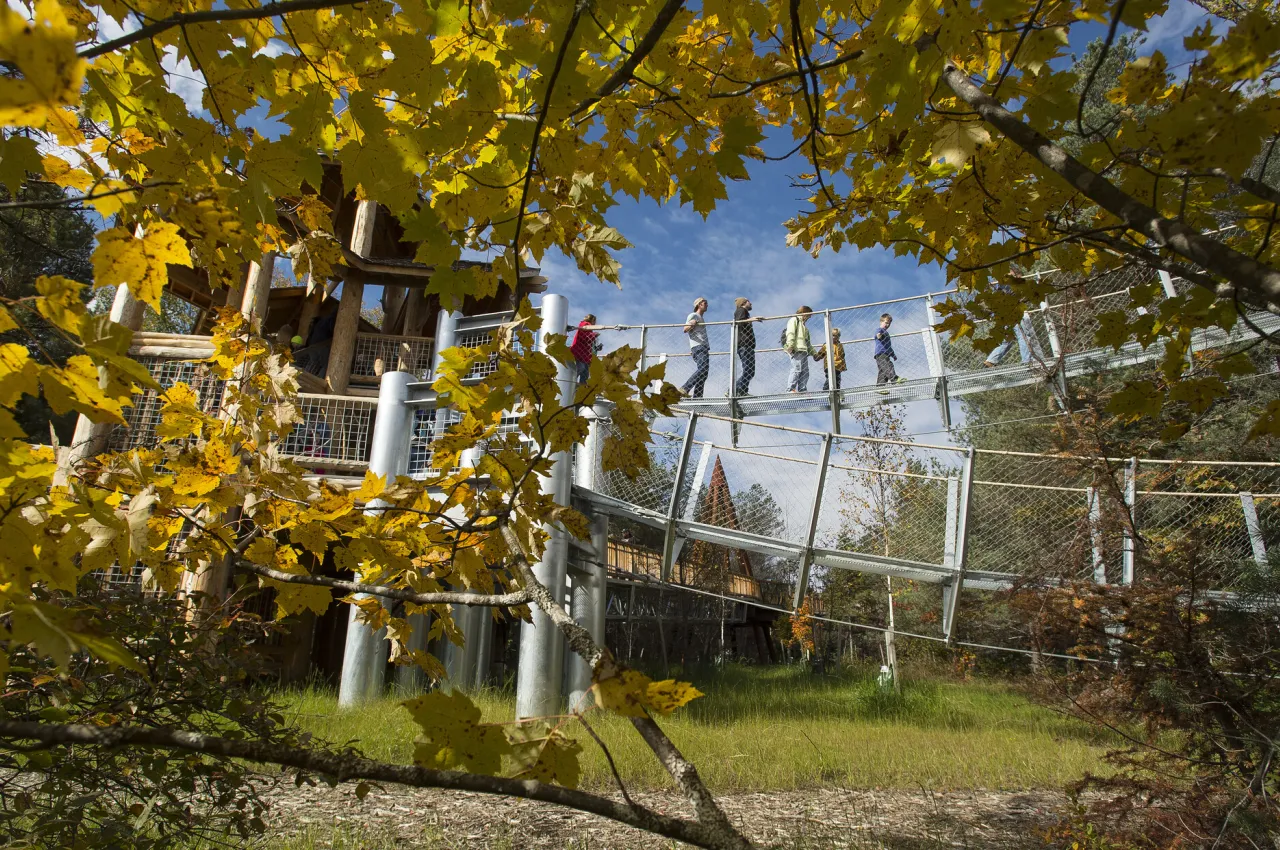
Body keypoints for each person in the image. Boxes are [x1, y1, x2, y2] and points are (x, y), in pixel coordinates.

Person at [570, 313, 616, 384]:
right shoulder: (585, 325)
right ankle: (570, 380)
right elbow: (583, 336)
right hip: (580, 352)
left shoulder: (588, 327)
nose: (595, 323)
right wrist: (594, 335)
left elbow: (588, 341)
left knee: (585, 371)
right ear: (592, 320)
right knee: (581, 368)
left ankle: (581, 386)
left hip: (584, 353)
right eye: (595, 321)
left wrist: (596, 347)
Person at [733, 297, 763, 396]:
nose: (751, 303)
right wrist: (752, 319)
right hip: (744, 345)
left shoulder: (744, 312)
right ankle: (734, 389)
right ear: (744, 303)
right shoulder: (741, 310)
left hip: (747, 345)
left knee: (750, 371)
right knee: (748, 370)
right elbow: (739, 322)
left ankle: (742, 391)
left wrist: (751, 319)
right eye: (749, 301)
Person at [681, 298, 710, 397]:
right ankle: (685, 388)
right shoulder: (694, 315)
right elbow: (685, 329)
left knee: (704, 372)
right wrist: (692, 323)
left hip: (702, 347)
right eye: (705, 303)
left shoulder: (700, 317)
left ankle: (697, 397)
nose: (707, 305)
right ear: (699, 305)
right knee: (703, 369)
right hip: (699, 347)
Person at [783, 306, 813, 392]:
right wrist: (790, 345)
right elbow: (790, 333)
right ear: (805, 313)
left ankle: (802, 389)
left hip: (804, 351)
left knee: (805, 372)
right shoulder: (794, 320)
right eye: (809, 315)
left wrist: (814, 354)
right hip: (796, 349)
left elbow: (808, 343)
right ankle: (790, 389)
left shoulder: (804, 327)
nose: (810, 317)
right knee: (796, 369)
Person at [875, 313, 905, 388]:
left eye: (889, 323)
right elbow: (878, 334)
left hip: (886, 354)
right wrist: (879, 335)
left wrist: (893, 354)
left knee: (883, 370)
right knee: (888, 366)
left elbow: (889, 347)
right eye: (886, 322)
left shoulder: (887, 333)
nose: (887, 325)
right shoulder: (880, 330)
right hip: (880, 354)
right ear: (881, 322)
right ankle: (894, 379)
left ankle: (880, 387)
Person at [812, 327, 847, 391]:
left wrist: (843, 366)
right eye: (832, 335)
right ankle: (826, 390)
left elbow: (842, 356)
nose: (833, 337)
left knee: (838, 379)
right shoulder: (827, 345)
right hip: (829, 364)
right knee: (830, 378)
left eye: (835, 335)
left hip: (838, 366)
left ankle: (837, 392)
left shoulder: (840, 345)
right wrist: (817, 356)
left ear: (838, 337)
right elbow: (821, 353)